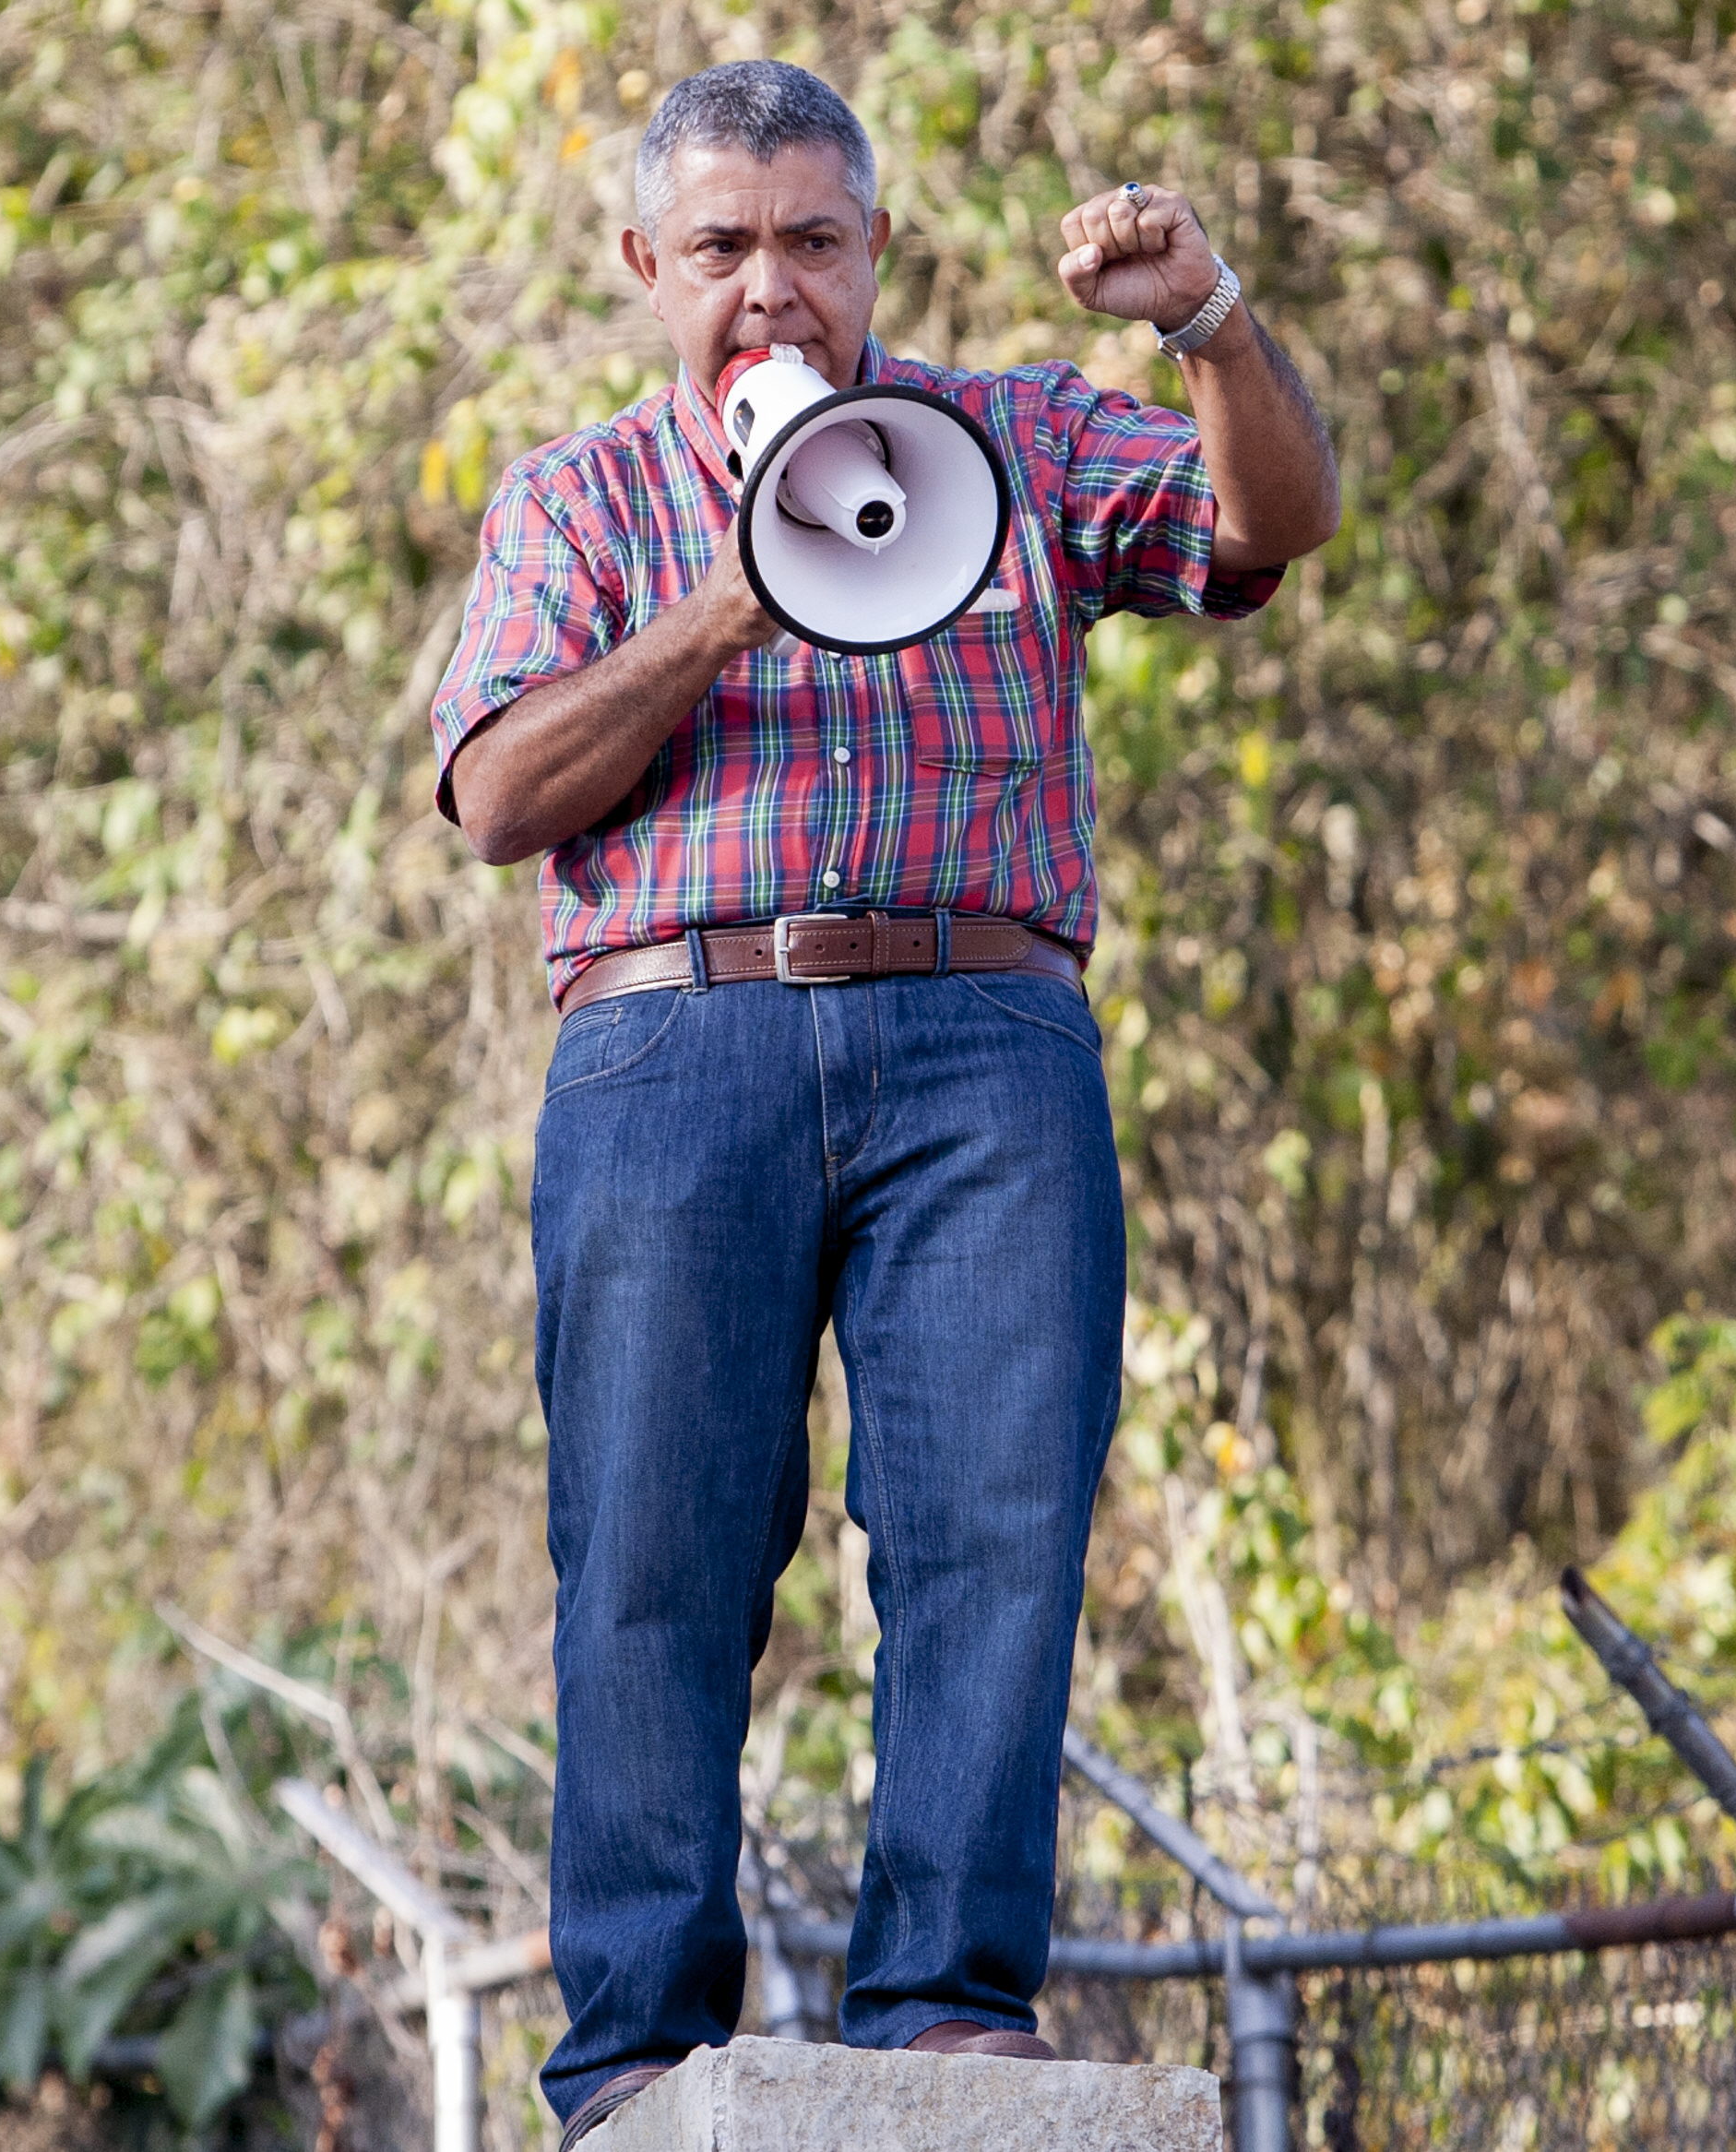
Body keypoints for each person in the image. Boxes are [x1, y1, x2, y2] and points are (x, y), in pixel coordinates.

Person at [424, 57, 1339, 2146]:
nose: (772, 290)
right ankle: (640, 2040)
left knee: (992, 1520)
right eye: (726, 247)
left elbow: (1267, 526)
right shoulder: (576, 502)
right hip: (676, 1046)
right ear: (647, 263)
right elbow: (495, 796)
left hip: (981, 1043)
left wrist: (1205, 320)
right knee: (655, 1543)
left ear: (876, 255)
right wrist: (737, 593)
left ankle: (943, 1998)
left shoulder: (1003, 436)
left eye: (812, 244)